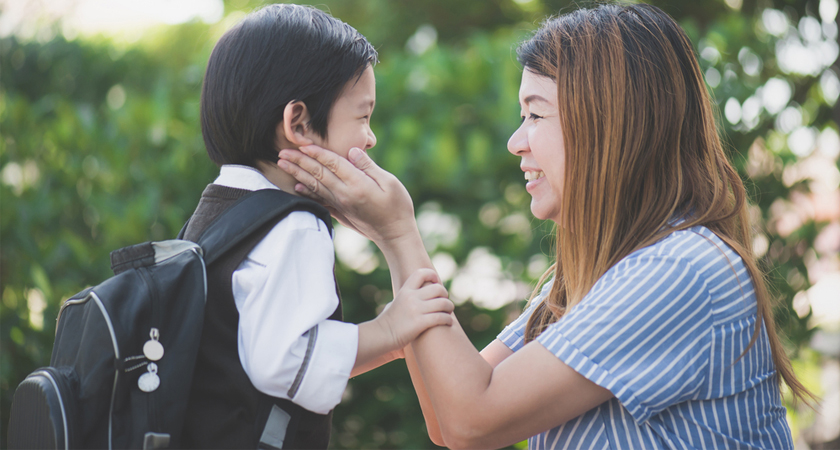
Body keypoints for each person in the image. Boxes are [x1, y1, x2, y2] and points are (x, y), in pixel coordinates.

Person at [276, 3, 814, 449]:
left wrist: (399, 235)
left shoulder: (682, 270)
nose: (517, 141)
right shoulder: (591, 278)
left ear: (609, 124)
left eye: (535, 115)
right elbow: (447, 416)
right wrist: (390, 240)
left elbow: (472, 419)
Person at [178, 4, 454, 449]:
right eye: (363, 117)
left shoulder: (217, 210)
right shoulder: (293, 227)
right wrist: (386, 330)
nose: (370, 138)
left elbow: (276, 352)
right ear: (299, 123)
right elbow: (281, 361)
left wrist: (385, 342)